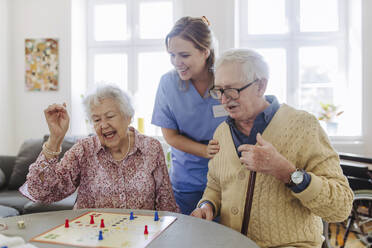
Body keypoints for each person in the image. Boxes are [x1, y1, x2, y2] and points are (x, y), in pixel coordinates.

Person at [190, 49, 354, 247]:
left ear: (261, 86)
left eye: (232, 90)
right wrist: (207, 205)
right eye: (219, 91)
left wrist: (286, 172)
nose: (224, 100)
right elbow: (215, 186)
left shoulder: (304, 126)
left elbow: (341, 207)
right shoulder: (221, 133)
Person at [20, 85, 179, 212]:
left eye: (110, 116)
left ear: (128, 116)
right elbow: (40, 192)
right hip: (92, 237)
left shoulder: (151, 148)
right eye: (96, 119)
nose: (103, 125)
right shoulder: (84, 149)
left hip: (140, 238)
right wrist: (55, 138)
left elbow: (166, 202)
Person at [151, 16, 226, 215]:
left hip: (228, 181)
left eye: (183, 55)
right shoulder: (168, 84)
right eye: (172, 55)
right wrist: (204, 150)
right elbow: (170, 135)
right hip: (187, 182)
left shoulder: (226, 79)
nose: (177, 62)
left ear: (205, 52)